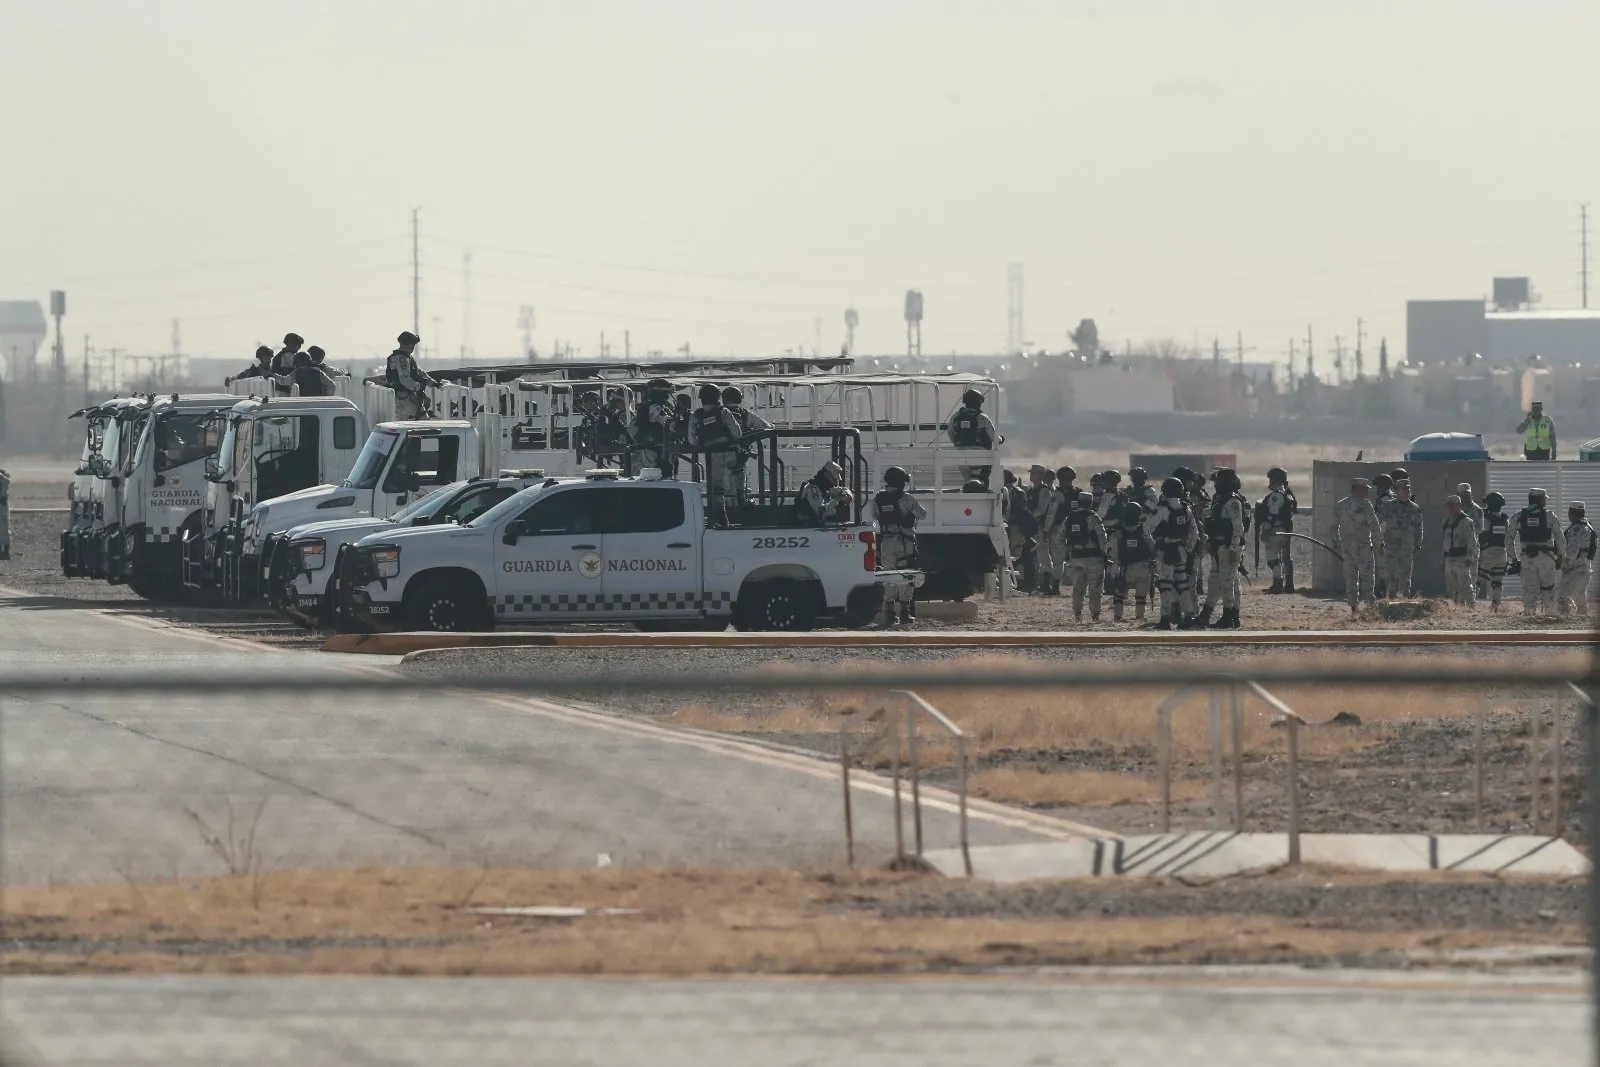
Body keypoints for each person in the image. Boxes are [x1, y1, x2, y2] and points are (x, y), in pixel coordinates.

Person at [1144, 476, 1198, 629]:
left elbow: (1146, 529)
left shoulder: (1162, 508)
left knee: (1166, 586)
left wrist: (1154, 545)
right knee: (1183, 584)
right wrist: (1187, 549)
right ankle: (1189, 615)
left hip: (1165, 551)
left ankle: (1165, 618)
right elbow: (1194, 532)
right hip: (1181, 551)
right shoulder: (1186, 508)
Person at [875, 466, 926, 627]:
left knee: (889, 576)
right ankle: (905, 612)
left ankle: (889, 613)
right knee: (907, 575)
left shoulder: (879, 498)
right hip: (904, 543)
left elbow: (874, 515)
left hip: (886, 542)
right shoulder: (907, 499)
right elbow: (922, 514)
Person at [1198, 467, 1247, 629]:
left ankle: (1229, 617)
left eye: (1217, 481)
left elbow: (1238, 527)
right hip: (1219, 546)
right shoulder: (1220, 499)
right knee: (1219, 580)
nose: (1215, 484)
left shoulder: (1233, 501)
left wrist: (1234, 549)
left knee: (1227, 582)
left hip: (1229, 546)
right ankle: (1216, 614)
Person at [688, 383, 743, 523]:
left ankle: (721, 516)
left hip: (712, 456)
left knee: (716, 488)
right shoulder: (724, 412)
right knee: (737, 477)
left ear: (701, 399)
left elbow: (692, 440)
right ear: (717, 397)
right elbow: (737, 433)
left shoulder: (695, 415)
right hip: (731, 453)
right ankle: (741, 504)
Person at [1511, 487, 1564, 616]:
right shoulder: (1549, 515)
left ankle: (1529, 618)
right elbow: (1561, 539)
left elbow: (1508, 540)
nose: (1545, 502)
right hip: (1547, 558)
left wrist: (1514, 560)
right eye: (1544, 500)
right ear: (1539, 500)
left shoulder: (1518, 515)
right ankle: (1549, 616)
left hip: (1527, 559)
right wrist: (1560, 557)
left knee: (1530, 591)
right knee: (1548, 589)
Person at [1331, 477, 1381, 614]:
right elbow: (1374, 525)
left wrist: (1336, 542)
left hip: (1347, 547)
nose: (1367, 492)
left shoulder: (1341, 504)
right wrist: (1379, 544)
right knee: (1367, 576)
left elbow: (1333, 526)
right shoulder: (1365, 505)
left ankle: (1354, 607)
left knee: (1351, 577)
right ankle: (1370, 607)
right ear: (1358, 488)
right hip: (1363, 545)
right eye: (1365, 489)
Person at [721, 385, 771, 505]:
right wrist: (750, 437)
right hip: (740, 456)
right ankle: (741, 505)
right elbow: (768, 428)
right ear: (739, 399)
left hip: (719, 456)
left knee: (722, 489)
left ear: (724, 399)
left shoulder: (719, 413)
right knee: (740, 486)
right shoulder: (746, 414)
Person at [1062, 492, 1107, 622]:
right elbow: (1102, 538)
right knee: (1095, 588)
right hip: (1094, 558)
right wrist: (1104, 554)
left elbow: (1060, 535)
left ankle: (1077, 613)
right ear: (1091, 503)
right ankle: (1095, 615)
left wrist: (1067, 551)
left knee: (1078, 587)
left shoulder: (1070, 518)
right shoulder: (1093, 517)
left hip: (1076, 558)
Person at [1110, 492, 1154, 622]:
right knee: (1141, 595)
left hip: (1125, 568)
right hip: (1143, 567)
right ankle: (1139, 616)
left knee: (1119, 594)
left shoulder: (1119, 532)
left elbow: (1114, 552)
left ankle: (1118, 616)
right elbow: (1152, 547)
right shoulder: (1144, 531)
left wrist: (1117, 563)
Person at [1378, 480, 1424, 598]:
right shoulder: (1388, 506)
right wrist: (1379, 542)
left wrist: (1418, 545)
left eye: (1408, 489)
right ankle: (1392, 600)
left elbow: (1419, 528)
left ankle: (1404, 601)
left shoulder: (1415, 508)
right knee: (1391, 576)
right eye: (1403, 489)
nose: (1406, 492)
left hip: (1407, 548)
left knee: (1405, 576)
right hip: (1391, 547)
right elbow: (1379, 523)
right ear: (1397, 491)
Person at [946, 389, 998, 488]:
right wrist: (1001, 439)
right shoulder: (983, 418)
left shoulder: (956, 417)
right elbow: (994, 438)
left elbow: (950, 433)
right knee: (980, 482)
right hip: (980, 457)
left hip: (961, 456)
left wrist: (958, 445)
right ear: (979, 403)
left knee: (967, 481)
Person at [1258, 466, 1298, 594]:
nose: (1269, 482)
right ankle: (1288, 584)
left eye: (1271, 480)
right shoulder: (1286, 493)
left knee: (1272, 558)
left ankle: (1278, 584)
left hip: (1275, 530)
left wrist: (1266, 529)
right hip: (1283, 529)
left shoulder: (1276, 495)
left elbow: (1273, 515)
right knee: (1285, 557)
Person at [386, 331, 439, 420]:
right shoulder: (401, 358)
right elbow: (405, 380)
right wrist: (419, 387)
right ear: (410, 344)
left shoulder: (407, 357)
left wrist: (432, 383)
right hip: (403, 399)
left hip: (409, 397)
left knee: (423, 421)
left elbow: (419, 372)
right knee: (405, 426)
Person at [1440, 495, 1479, 606]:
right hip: (1449, 558)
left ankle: (1471, 607)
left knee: (1466, 585)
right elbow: (1444, 542)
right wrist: (1443, 559)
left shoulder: (1466, 521)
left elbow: (1472, 541)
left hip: (1461, 558)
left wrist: (1469, 557)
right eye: (1449, 506)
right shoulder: (1446, 523)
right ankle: (1457, 607)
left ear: (1459, 505)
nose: (1451, 508)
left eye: (1453, 505)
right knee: (1452, 586)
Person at [631, 378, 676, 475]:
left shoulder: (652, 407)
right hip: (651, 450)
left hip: (657, 448)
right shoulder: (653, 408)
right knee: (653, 476)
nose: (667, 397)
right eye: (666, 394)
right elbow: (667, 422)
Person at [1029, 466, 1061, 596]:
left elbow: (1043, 509)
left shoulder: (1043, 490)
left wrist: (1030, 515)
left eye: (1034, 474)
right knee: (1040, 555)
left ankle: (1046, 584)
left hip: (1041, 527)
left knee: (1043, 555)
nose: (1031, 476)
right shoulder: (1035, 490)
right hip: (1038, 526)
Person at [1477, 491, 1512, 612]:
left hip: (1487, 552)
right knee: (1497, 581)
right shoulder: (1504, 519)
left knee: (1477, 578)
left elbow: (1481, 533)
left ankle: (1469, 604)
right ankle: (1495, 606)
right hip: (1502, 553)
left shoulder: (1486, 518)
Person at [1559, 501, 1596, 617]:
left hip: (1575, 568)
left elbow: (1572, 550)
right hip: (1584, 566)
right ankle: (1582, 616)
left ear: (1574, 513)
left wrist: (1565, 565)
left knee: (1563, 595)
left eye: (1570, 512)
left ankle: (1566, 617)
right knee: (1580, 594)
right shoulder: (1587, 526)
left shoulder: (1577, 529)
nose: (1568, 515)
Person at [795, 460, 852, 525]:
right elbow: (822, 513)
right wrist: (837, 499)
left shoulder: (824, 486)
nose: (836, 481)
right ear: (826, 474)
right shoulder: (812, 489)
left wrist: (847, 495)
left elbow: (844, 490)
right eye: (834, 478)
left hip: (818, 525)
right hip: (809, 525)